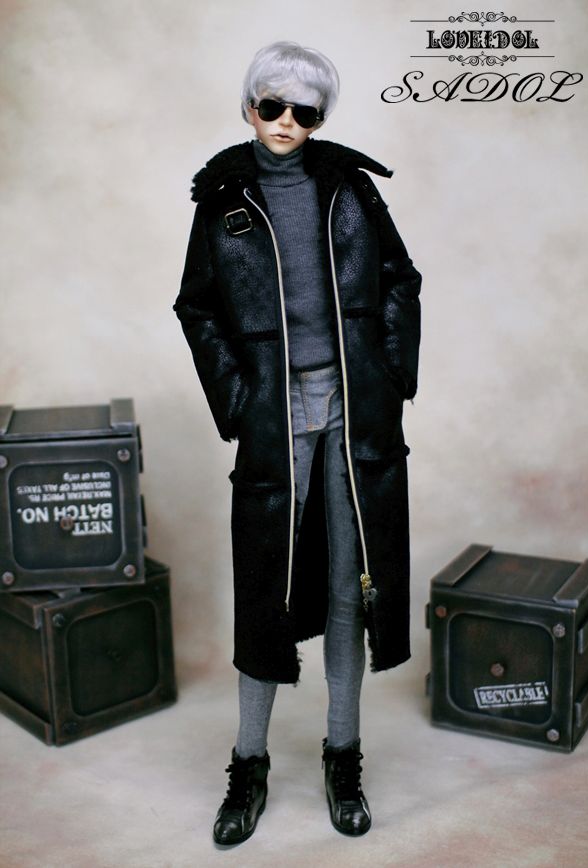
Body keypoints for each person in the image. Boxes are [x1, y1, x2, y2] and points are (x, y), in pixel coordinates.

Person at [173, 40, 422, 845]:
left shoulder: (350, 188)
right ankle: (248, 765)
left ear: (319, 117)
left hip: (355, 412)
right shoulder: (224, 200)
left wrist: (390, 373)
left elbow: (401, 279)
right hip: (274, 418)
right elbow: (196, 307)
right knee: (265, 592)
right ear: (250, 107)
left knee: (354, 584)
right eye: (271, 105)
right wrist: (239, 400)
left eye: (304, 111)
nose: (286, 121)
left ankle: (342, 754)